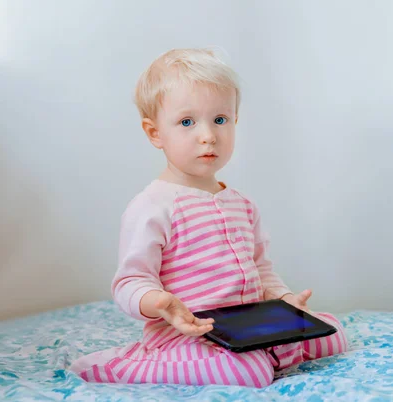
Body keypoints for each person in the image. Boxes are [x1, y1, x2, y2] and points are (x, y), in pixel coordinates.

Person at [70, 48, 348, 387]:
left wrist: (284, 301)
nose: (208, 135)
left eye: (220, 119)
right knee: (250, 373)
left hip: (248, 327)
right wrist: (159, 302)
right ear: (155, 132)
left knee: (333, 333)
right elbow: (129, 283)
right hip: (187, 334)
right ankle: (125, 366)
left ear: (234, 121)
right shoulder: (152, 207)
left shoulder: (242, 205)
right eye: (187, 122)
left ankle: (265, 350)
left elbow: (261, 269)